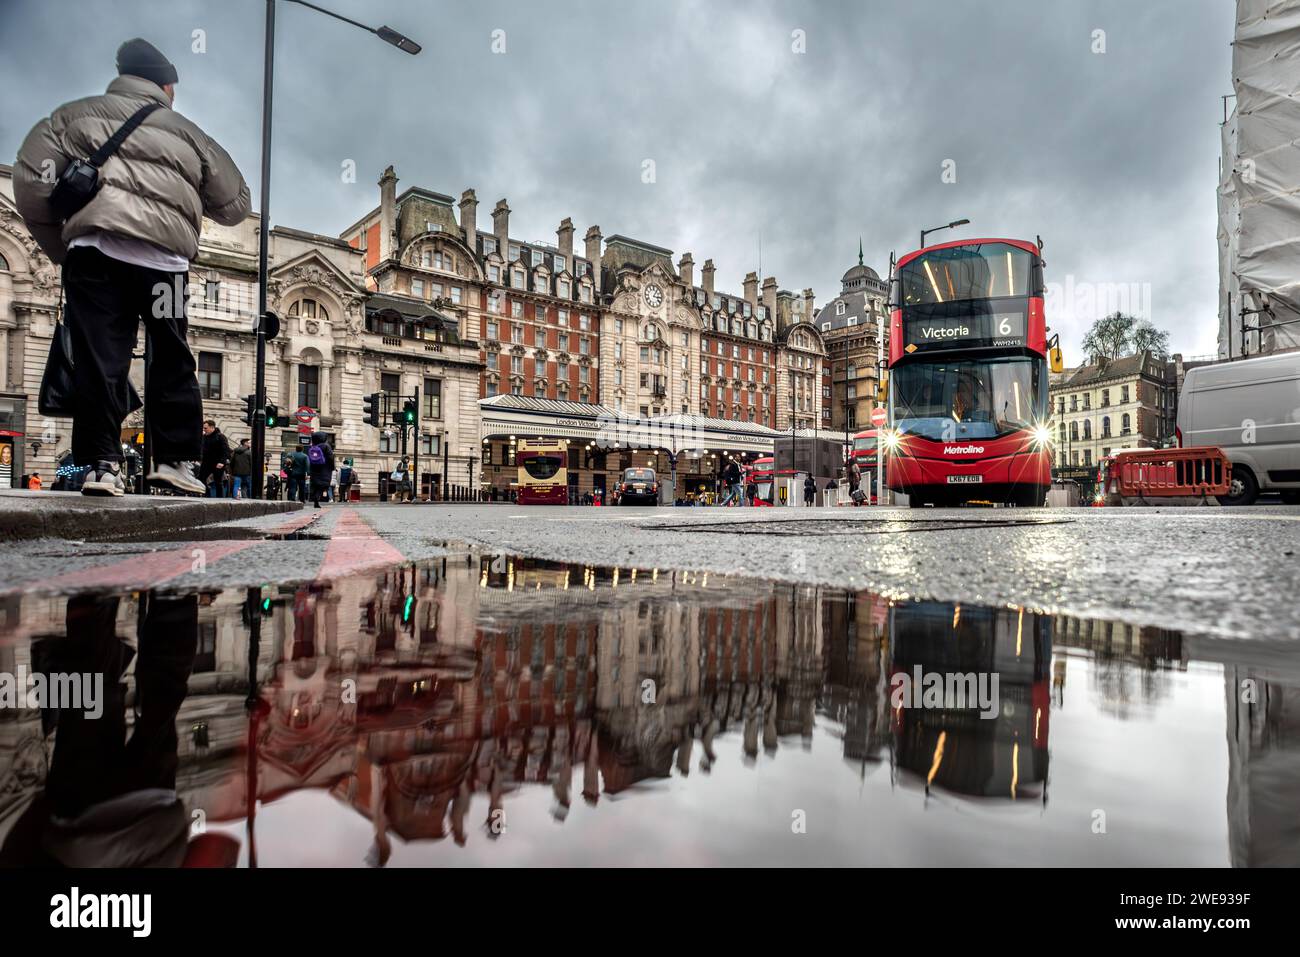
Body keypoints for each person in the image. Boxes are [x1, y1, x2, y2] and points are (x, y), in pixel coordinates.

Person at [14, 38, 250, 498]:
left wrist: (62, 249)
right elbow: (235, 204)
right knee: (172, 353)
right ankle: (174, 461)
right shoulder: (190, 133)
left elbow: (30, 182)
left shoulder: (70, 116)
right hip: (165, 264)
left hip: (95, 257)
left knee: (99, 359)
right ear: (167, 86)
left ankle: (101, 464)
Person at [199, 420, 230, 497]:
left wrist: (222, 462)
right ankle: (207, 495)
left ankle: (220, 498)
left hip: (218, 463)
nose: (204, 430)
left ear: (212, 427)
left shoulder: (220, 437)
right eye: (203, 428)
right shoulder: (204, 437)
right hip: (206, 462)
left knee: (218, 481)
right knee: (201, 478)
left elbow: (226, 450)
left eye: (206, 428)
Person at [306, 430, 335, 509]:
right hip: (325, 468)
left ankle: (315, 498)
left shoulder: (313, 446)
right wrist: (332, 467)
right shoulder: (326, 446)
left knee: (315, 484)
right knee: (323, 485)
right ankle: (317, 497)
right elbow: (330, 457)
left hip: (314, 468)